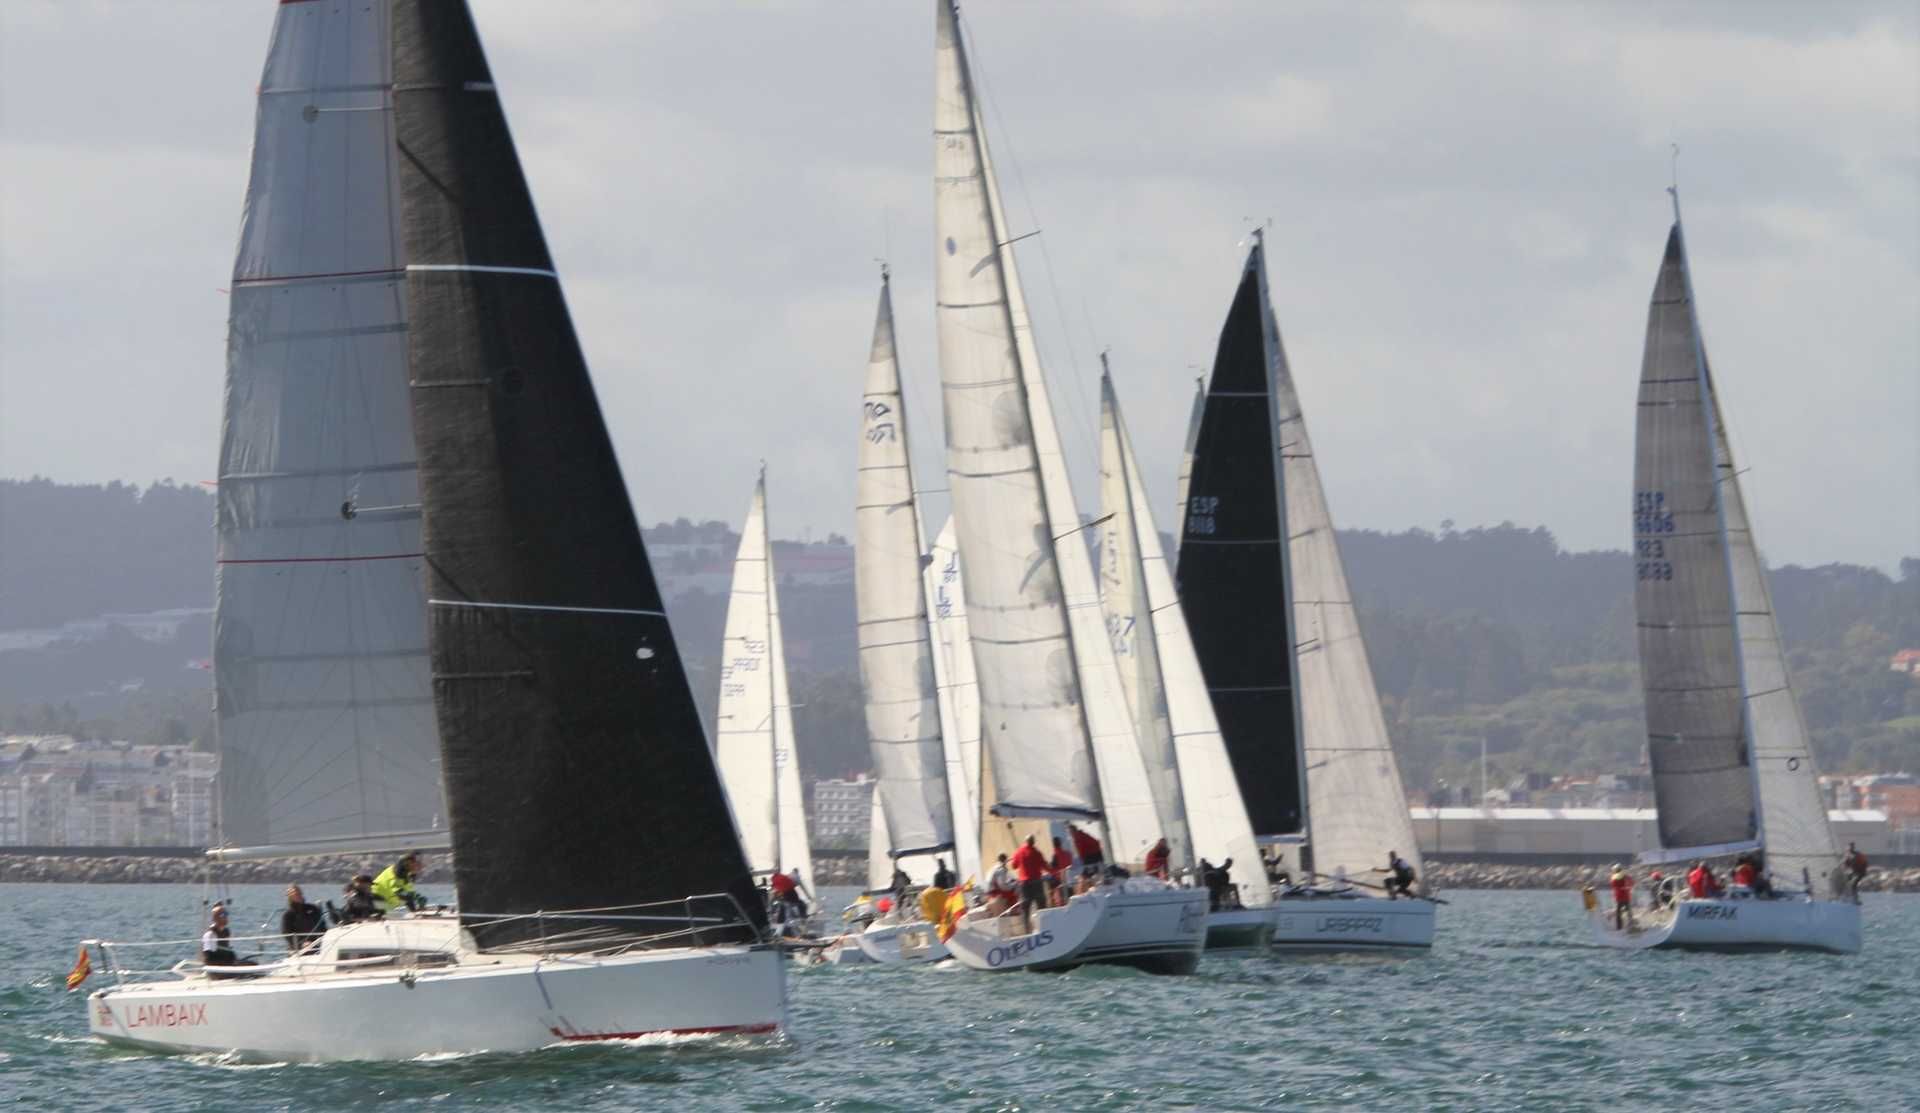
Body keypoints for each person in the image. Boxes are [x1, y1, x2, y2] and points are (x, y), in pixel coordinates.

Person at [1009, 835, 1049, 934]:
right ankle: (1044, 928)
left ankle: (1027, 931)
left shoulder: (1019, 852)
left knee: (1025, 908)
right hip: (1036, 882)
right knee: (1041, 905)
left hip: (1025, 884)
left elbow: (1014, 866)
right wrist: (1053, 871)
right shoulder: (1037, 852)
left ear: (1026, 841)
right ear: (1033, 842)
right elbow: (1044, 866)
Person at [372, 851, 427, 916]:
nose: (421, 866)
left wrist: (417, 898)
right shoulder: (397, 873)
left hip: (384, 903)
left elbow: (408, 892)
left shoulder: (405, 874)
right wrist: (415, 899)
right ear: (409, 863)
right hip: (375, 900)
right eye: (417, 863)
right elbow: (398, 892)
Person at [280, 884, 326, 954]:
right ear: (290, 896)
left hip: (318, 945)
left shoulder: (313, 909)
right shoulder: (288, 915)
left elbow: (322, 926)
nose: (298, 895)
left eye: (299, 893)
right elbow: (287, 934)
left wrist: (323, 940)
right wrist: (301, 944)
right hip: (299, 950)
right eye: (295, 894)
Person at [1068, 823, 1104, 890]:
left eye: (1070, 832)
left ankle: (1089, 889)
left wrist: (1082, 863)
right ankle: (1093, 887)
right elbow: (1096, 842)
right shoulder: (1083, 834)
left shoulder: (1077, 837)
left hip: (1091, 858)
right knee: (1089, 875)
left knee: (1085, 876)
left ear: (1073, 831)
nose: (1070, 834)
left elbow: (1080, 852)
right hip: (1097, 856)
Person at [1046, 837, 1074, 907]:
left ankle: (1052, 904)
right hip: (1069, 878)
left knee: (1049, 884)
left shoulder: (1055, 855)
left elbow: (1053, 869)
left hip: (1059, 878)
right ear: (1060, 843)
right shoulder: (1068, 854)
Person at [1608, 864, 1634, 930]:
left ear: (1615, 870)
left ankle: (1619, 927)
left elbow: (1613, 885)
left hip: (1619, 898)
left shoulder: (1614, 878)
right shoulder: (1626, 876)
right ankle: (1631, 925)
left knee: (1618, 913)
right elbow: (1632, 883)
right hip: (1626, 897)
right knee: (1628, 912)